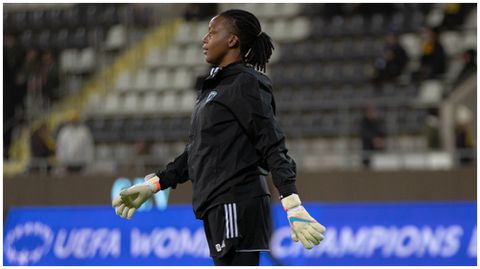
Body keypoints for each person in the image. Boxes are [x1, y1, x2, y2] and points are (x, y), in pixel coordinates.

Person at [112, 9, 326, 266]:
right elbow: (199, 152)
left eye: (213, 32)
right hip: (217, 203)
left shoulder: (245, 83)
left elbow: (272, 143)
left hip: (236, 200)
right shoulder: (215, 88)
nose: (205, 39)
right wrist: (155, 184)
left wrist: (292, 202)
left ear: (233, 40)